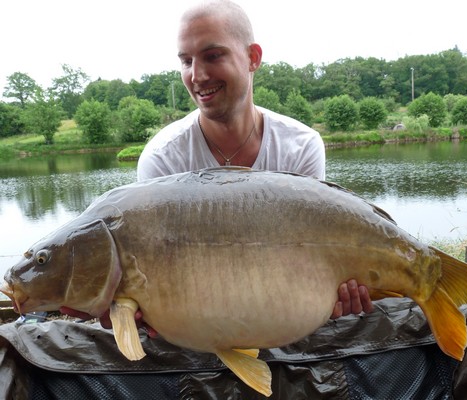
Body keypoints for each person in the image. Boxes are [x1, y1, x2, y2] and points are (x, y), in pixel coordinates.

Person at [62, 0, 372, 335]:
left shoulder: (301, 146)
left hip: (282, 318)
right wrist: (130, 308)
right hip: (196, 334)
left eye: (213, 56)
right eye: (186, 60)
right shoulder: (163, 159)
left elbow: (317, 255)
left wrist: (333, 295)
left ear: (253, 57)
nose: (197, 76)